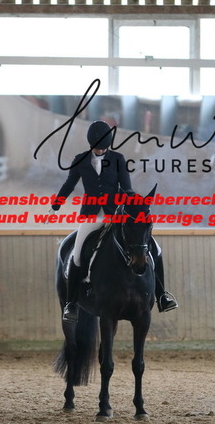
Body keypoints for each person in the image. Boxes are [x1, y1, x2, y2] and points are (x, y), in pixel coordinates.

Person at [52, 120, 178, 321]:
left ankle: (162, 295)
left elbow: (126, 187)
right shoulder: (80, 160)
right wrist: (56, 204)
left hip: (116, 215)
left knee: (155, 248)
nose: (101, 151)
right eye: (98, 148)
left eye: (103, 148)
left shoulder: (118, 159)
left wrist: (135, 203)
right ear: (91, 144)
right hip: (92, 216)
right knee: (76, 255)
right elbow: (70, 183)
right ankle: (71, 304)